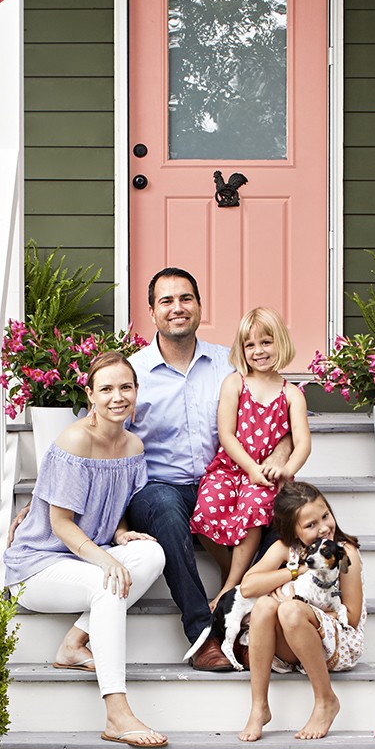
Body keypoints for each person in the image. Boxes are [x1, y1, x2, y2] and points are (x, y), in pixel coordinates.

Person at [127, 267, 291, 673]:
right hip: (161, 486)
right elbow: (99, 437)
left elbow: (278, 412)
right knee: (166, 509)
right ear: (151, 312)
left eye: (186, 299)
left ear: (199, 306)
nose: (177, 308)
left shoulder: (229, 363)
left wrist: (281, 455)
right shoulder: (134, 373)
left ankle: (256, 626)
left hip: (226, 479)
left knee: (284, 512)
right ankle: (206, 636)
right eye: (166, 301)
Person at [4, 349, 168, 749]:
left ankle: (74, 642)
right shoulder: (76, 439)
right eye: (106, 388)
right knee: (107, 584)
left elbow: (116, 506)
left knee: (152, 554)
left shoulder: (132, 447)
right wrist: (107, 557)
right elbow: (60, 524)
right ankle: (116, 711)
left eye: (125, 387)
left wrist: (124, 533)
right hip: (39, 565)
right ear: (90, 394)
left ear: (136, 391)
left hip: (87, 555)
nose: (117, 397)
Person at [190, 306, 311, 606]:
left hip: (267, 477)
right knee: (206, 509)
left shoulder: (292, 393)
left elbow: (303, 442)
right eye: (250, 344)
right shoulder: (235, 383)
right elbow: (227, 435)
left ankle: (231, 587)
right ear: (242, 349)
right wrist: (249, 467)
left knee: (255, 506)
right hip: (230, 468)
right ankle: (228, 568)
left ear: (280, 342)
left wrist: (286, 470)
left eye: (266, 342)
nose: (258, 351)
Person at [237, 480, 366, 744]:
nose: (323, 528)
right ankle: (259, 706)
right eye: (310, 525)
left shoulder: (342, 552)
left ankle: (325, 699)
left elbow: (350, 616)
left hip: (336, 643)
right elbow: (248, 586)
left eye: (325, 516)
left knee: (290, 611)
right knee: (264, 606)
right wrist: (297, 570)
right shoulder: (287, 550)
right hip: (291, 646)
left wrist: (299, 610)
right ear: (293, 531)